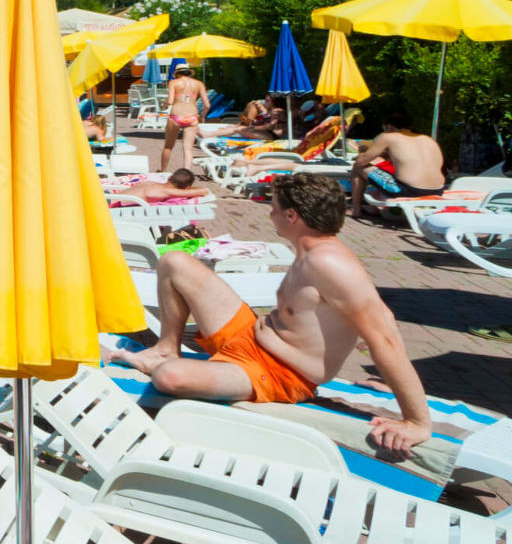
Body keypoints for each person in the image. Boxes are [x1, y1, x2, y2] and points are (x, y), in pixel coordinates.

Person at [108, 172, 434, 454]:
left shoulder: (331, 264)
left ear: (292, 216)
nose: (269, 214)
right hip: (250, 335)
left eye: (274, 208)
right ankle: (165, 348)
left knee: (170, 378)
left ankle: (168, 363)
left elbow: (385, 335)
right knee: (174, 262)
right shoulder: (310, 253)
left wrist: (417, 421)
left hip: (277, 373)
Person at [349, 107, 448, 216]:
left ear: (389, 127)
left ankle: (356, 209)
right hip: (438, 190)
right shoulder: (427, 139)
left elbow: (361, 162)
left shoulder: (388, 137)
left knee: (357, 167)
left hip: (409, 190)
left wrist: (363, 154)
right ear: (409, 127)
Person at [159, 64, 208, 173]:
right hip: (192, 116)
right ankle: (186, 174)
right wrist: (202, 116)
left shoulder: (174, 83)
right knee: (188, 148)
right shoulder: (199, 84)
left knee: (168, 146)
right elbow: (207, 105)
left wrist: (165, 104)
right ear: (189, 72)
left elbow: (171, 101)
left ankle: (163, 171)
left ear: (177, 73)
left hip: (176, 116)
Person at [108, 168, 202, 204]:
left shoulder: (150, 183)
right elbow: (204, 191)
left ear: (169, 177)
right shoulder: (166, 191)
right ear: (186, 188)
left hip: (105, 198)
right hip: (106, 208)